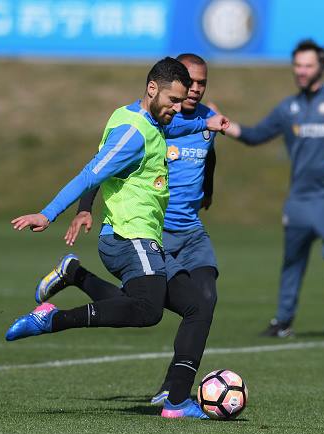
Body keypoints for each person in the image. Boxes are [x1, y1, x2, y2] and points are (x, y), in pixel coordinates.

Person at [6, 57, 229, 419]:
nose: (178, 107)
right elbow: (89, 174)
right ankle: (53, 319)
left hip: (146, 239)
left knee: (197, 306)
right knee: (147, 311)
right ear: (152, 89)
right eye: (173, 100)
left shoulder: (148, 119)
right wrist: (48, 213)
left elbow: (173, 129)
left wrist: (206, 123)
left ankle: (176, 401)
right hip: (129, 237)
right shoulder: (132, 132)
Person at [66, 54, 220, 406]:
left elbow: (210, 157)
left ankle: (173, 388)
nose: (195, 90)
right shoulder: (155, 120)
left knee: (204, 300)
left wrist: (208, 191)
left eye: (202, 83)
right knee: (144, 307)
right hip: (152, 233)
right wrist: (84, 208)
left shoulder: (206, 121)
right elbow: (102, 165)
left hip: (192, 232)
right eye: (190, 83)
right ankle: (77, 277)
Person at [223, 39, 324, 337]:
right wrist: (222, 124)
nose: (301, 71)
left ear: (321, 67)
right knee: (292, 261)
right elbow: (255, 135)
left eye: (307, 65)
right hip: (299, 199)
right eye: (297, 65)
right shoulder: (288, 108)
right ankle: (283, 321)